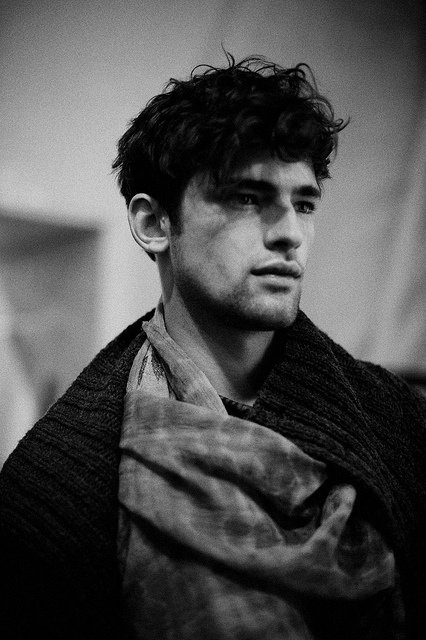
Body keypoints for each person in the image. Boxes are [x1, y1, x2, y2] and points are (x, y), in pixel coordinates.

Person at [1, 54, 426, 640]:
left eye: (304, 204)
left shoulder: (396, 421)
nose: (290, 233)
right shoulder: (51, 491)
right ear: (154, 224)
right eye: (248, 198)